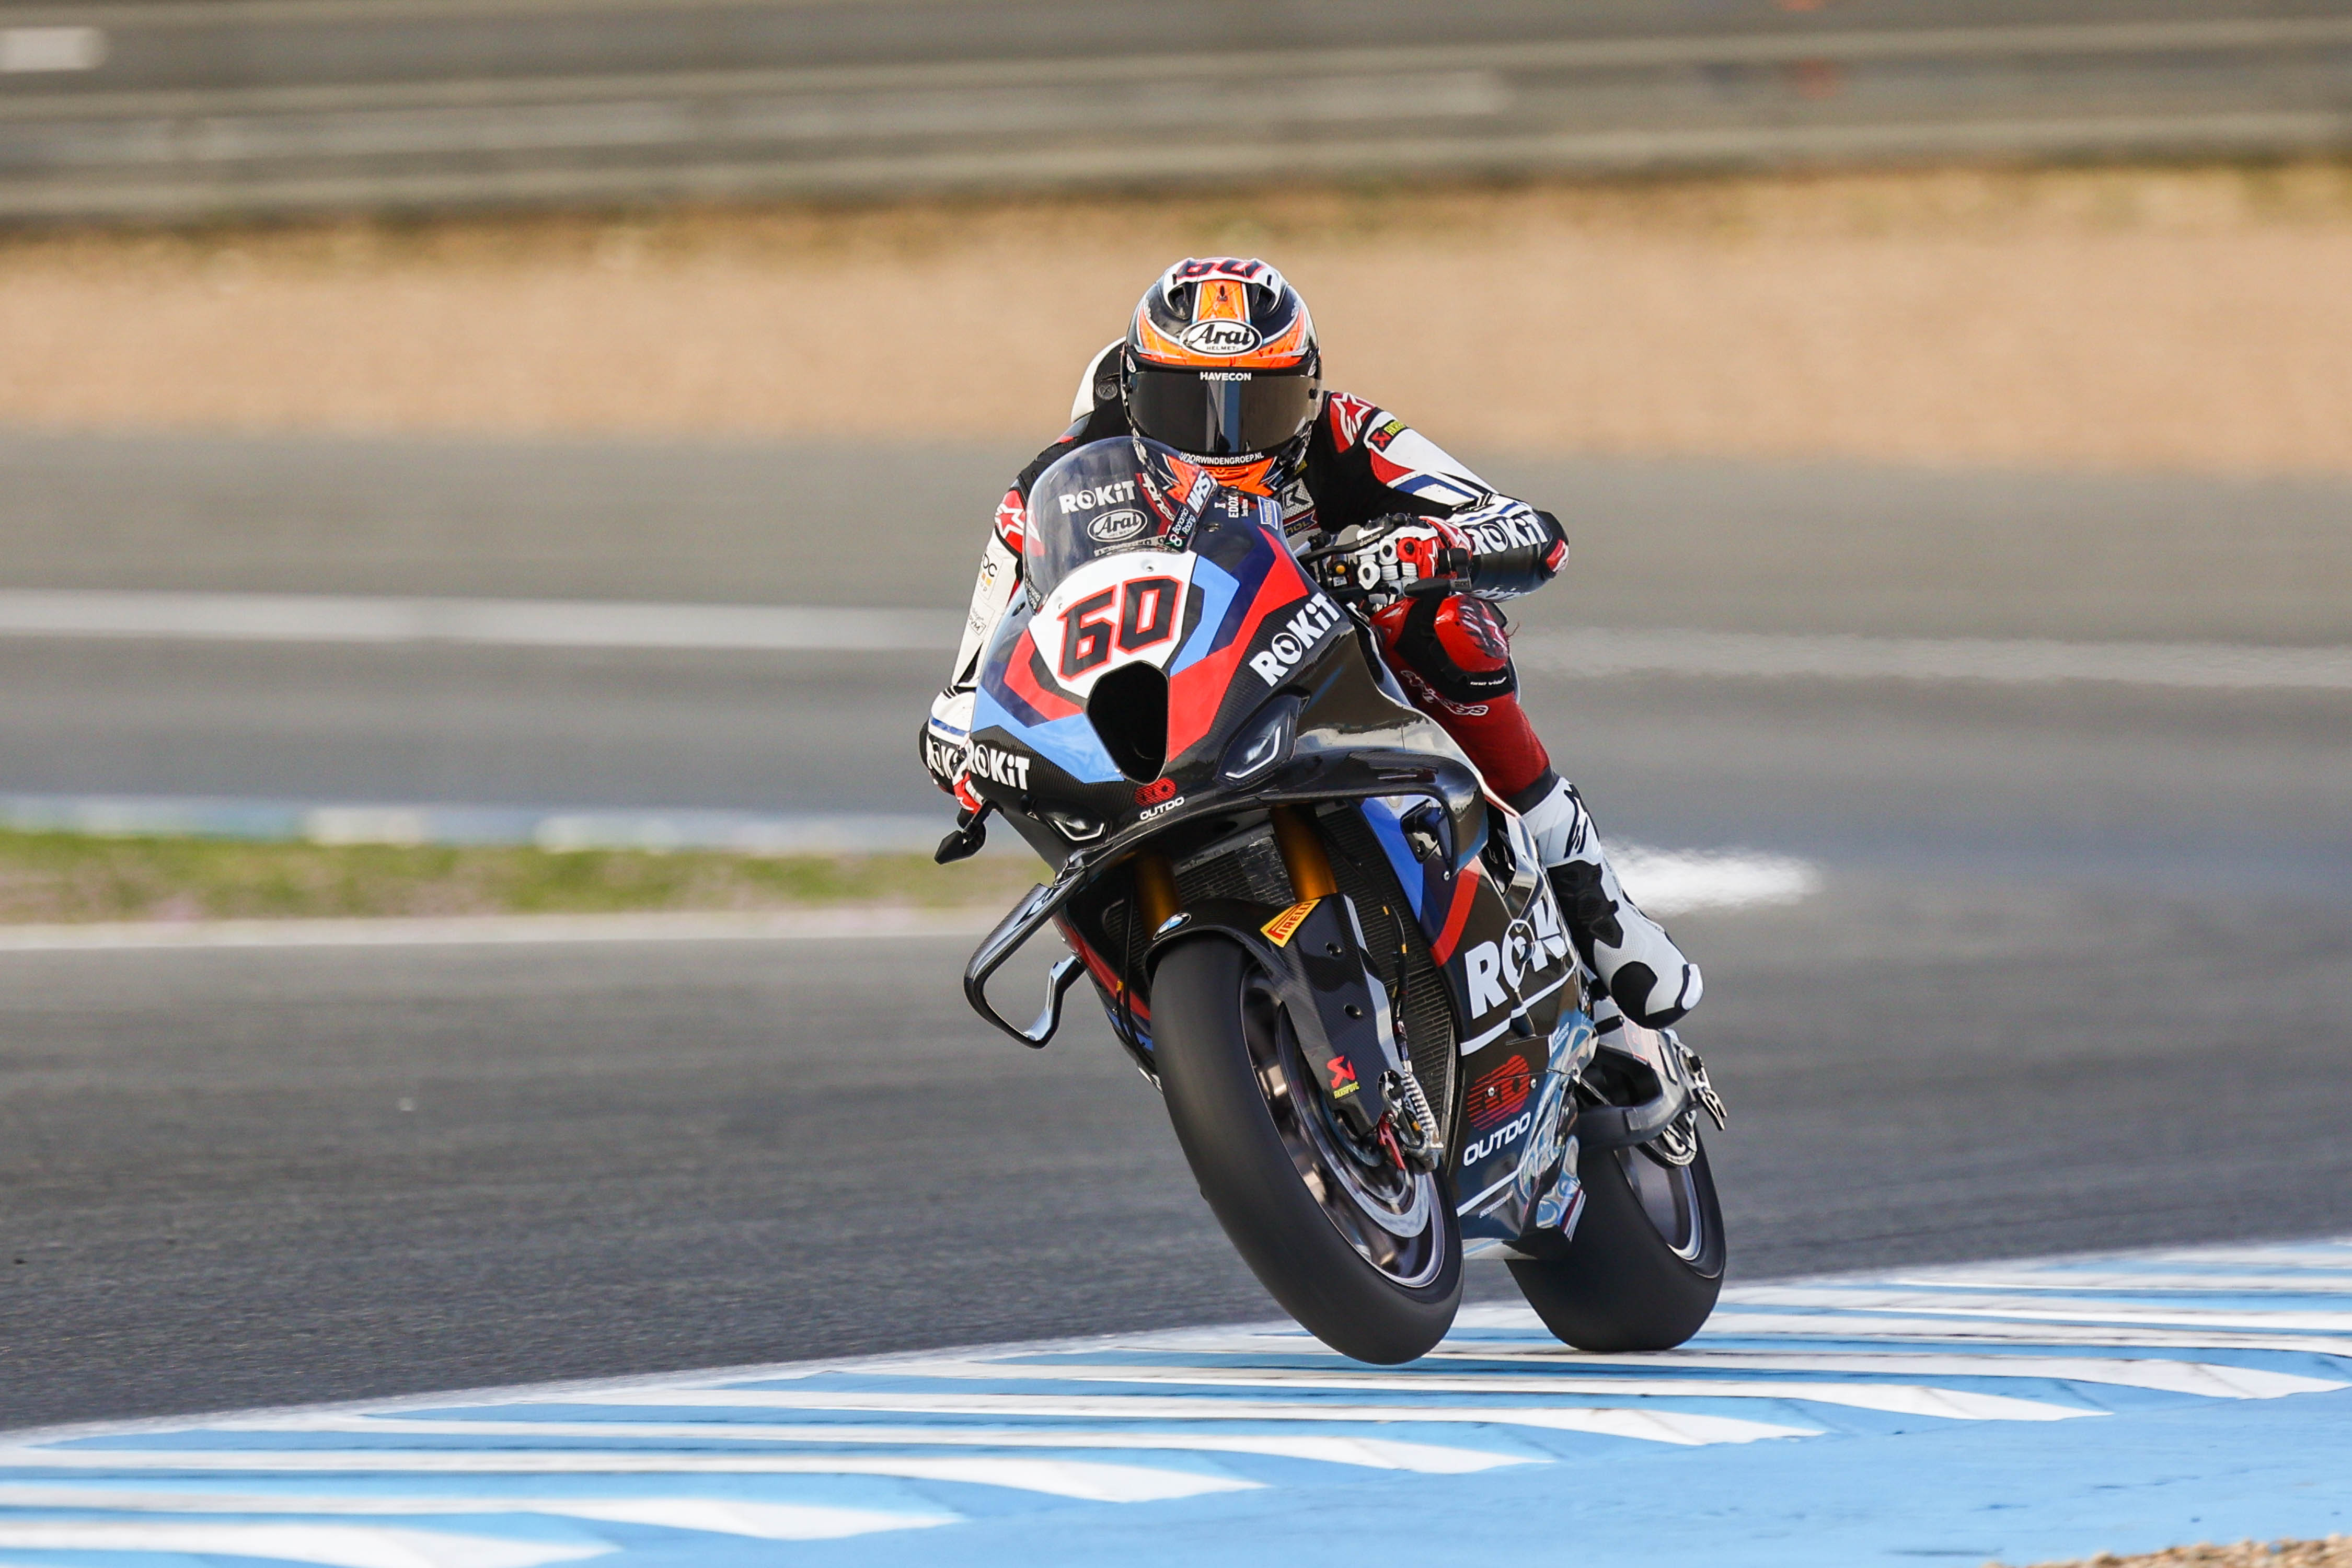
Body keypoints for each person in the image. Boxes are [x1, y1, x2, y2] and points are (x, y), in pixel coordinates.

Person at [920, 257, 1701, 1029]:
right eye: (1183, 405)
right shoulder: (1057, 480)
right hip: (1175, 697)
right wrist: (959, 734)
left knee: (1441, 627)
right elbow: (980, 659)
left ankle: (1596, 905)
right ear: (1132, 391)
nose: (1220, 440)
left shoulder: (1349, 431)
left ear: (1308, 392)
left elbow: (1534, 533)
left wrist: (1420, 551)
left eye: (1255, 407)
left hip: (1328, 667)